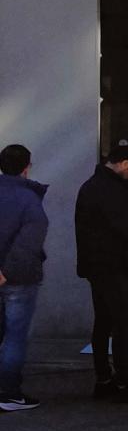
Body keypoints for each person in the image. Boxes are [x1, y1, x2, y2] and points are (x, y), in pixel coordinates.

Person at [75, 145, 128, 403]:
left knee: (104, 322)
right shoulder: (110, 190)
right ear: (122, 163)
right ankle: (123, 380)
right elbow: (124, 227)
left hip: (98, 265)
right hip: (113, 265)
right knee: (123, 322)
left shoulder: (92, 186)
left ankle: (105, 378)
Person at [0, 145, 49, 411]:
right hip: (18, 279)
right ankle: (8, 393)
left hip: (10, 274)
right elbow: (29, 241)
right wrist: (6, 272)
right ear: (27, 166)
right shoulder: (28, 198)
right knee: (15, 337)